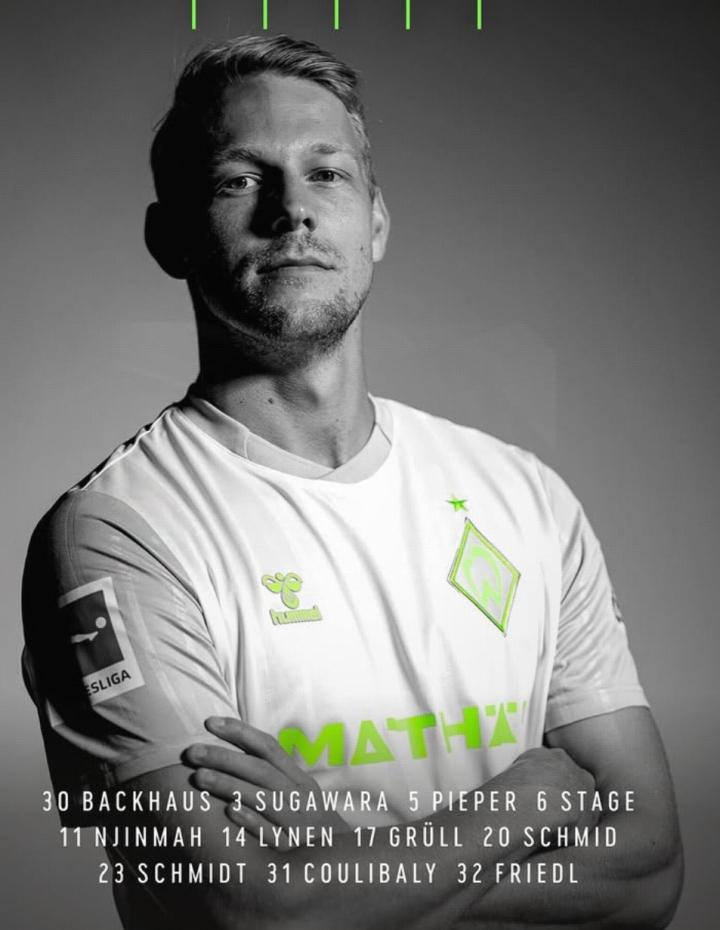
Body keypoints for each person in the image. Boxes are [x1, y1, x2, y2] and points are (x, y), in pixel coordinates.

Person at [22, 34, 682, 930]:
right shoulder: (116, 533)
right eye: (239, 180)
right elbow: (240, 911)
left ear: (375, 221)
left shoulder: (524, 498)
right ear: (168, 238)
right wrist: (525, 801)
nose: (292, 209)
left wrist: (346, 860)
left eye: (325, 173)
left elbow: (650, 872)